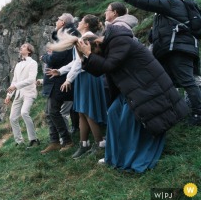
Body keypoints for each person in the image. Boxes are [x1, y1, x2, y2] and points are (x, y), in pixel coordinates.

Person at [76, 24, 188, 173]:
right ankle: (115, 156)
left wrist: (90, 55)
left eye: (94, 52)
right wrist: (85, 57)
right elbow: (99, 71)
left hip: (148, 87)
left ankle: (133, 157)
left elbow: (109, 66)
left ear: (97, 43)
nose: (95, 56)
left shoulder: (119, 41)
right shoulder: (108, 46)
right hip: (135, 87)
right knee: (114, 113)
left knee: (130, 119)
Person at [109, 0, 201, 125]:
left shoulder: (171, 1)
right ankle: (177, 112)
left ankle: (198, 114)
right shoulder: (166, 10)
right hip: (170, 50)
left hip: (178, 49)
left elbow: (147, 2)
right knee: (167, 83)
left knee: (187, 81)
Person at [54, 15, 108, 159]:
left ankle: (100, 143)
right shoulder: (84, 38)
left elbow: (79, 63)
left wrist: (68, 79)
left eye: (82, 21)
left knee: (88, 111)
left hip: (88, 77)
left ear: (86, 25)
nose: (78, 23)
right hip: (84, 77)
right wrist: (60, 71)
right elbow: (75, 61)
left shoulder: (86, 39)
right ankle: (84, 144)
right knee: (81, 112)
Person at [39, 13, 79, 154]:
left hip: (60, 80)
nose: (56, 21)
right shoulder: (66, 34)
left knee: (53, 112)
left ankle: (66, 140)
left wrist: (45, 56)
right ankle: (54, 141)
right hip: (58, 79)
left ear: (63, 23)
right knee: (51, 112)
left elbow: (55, 59)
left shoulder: (68, 34)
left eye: (58, 19)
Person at [5, 43, 40, 148]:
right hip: (18, 94)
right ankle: (19, 141)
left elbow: (31, 80)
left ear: (29, 51)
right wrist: (8, 96)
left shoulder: (33, 63)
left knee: (24, 113)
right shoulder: (18, 64)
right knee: (12, 118)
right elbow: (14, 80)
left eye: (24, 46)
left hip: (29, 92)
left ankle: (33, 139)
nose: (21, 47)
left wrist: (16, 86)